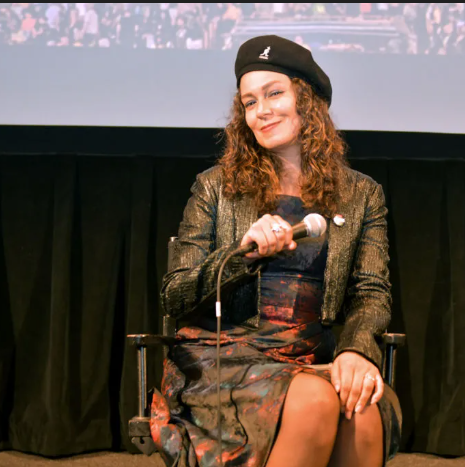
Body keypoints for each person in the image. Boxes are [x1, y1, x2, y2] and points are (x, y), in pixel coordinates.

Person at [150, 35, 402, 467]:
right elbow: (175, 295)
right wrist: (242, 255)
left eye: (274, 94)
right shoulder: (215, 187)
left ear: (308, 101)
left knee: (361, 409)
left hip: (308, 357)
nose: (261, 110)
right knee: (315, 401)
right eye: (250, 102)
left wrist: (356, 351)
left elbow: (371, 293)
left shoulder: (361, 195)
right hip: (225, 358)